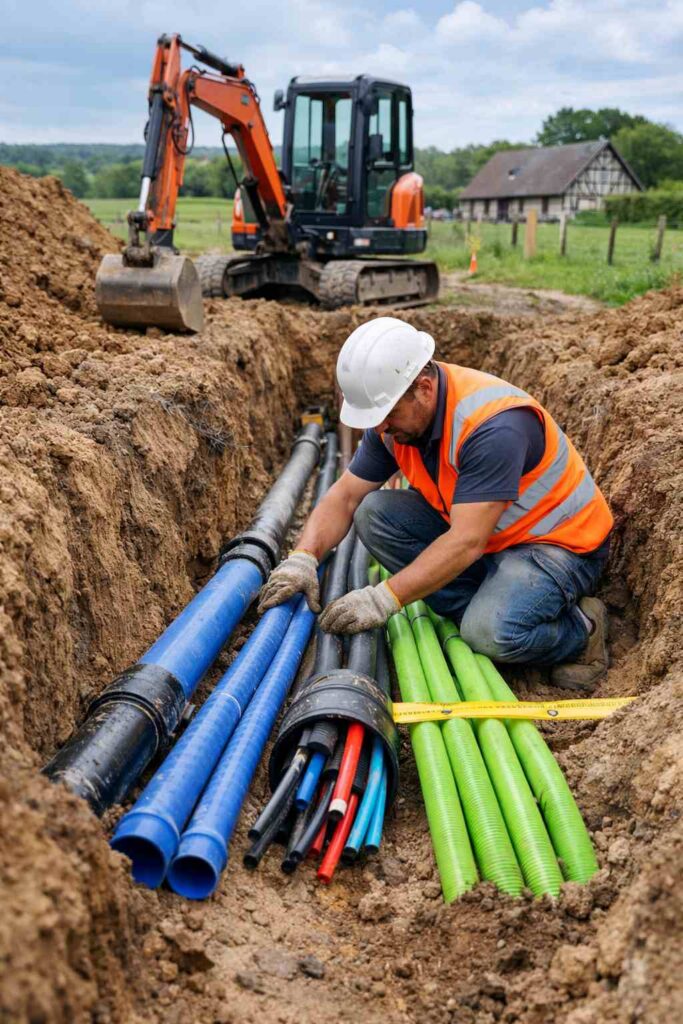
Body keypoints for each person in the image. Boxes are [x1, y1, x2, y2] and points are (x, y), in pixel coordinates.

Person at [259, 317, 613, 691]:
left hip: (556, 545)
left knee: (489, 634)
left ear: (424, 388)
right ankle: (489, 598)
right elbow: (345, 497)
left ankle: (581, 631)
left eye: (387, 416)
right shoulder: (396, 420)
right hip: (490, 537)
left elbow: (466, 542)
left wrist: (384, 598)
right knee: (375, 513)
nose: (381, 429)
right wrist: (303, 558)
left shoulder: (492, 426)